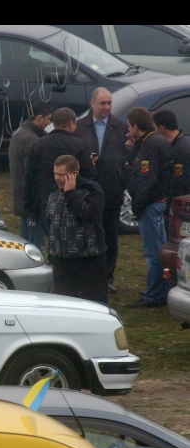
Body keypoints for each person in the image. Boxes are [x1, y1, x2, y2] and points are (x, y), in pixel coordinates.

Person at [76, 88, 132, 294]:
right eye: (103, 103)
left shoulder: (120, 127)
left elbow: (128, 159)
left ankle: (107, 276)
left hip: (111, 191)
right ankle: (86, 274)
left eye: (109, 103)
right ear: (92, 104)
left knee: (110, 235)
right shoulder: (80, 127)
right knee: (86, 233)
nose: (107, 107)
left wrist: (121, 180)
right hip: (87, 191)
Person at [24, 108, 96, 251]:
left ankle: (54, 267)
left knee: (53, 243)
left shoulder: (38, 145)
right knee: (72, 244)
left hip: (45, 202)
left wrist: (30, 207)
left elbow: (29, 177)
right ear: (71, 123)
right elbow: (90, 175)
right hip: (73, 201)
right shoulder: (80, 145)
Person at [126, 108, 173, 309]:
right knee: (162, 250)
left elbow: (147, 179)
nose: (128, 130)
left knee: (153, 253)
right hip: (158, 202)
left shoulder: (151, 145)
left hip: (151, 205)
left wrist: (136, 205)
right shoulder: (155, 141)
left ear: (136, 126)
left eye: (130, 126)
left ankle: (154, 295)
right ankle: (163, 290)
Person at [47, 155, 107, 303]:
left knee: (94, 302)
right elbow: (52, 224)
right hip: (62, 261)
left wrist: (70, 194)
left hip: (88, 259)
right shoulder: (54, 192)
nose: (57, 178)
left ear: (74, 174)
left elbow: (87, 214)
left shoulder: (91, 190)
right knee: (63, 304)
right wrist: (52, 256)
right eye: (55, 174)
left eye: (61, 175)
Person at [9, 101, 53, 243]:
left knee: (25, 238)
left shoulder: (18, 133)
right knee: (35, 242)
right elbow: (34, 172)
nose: (49, 123)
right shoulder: (32, 139)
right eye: (48, 119)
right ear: (39, 118)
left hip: (21, 195)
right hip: (33, 200)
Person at [152, 110, 190, 221]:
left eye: (155, 128)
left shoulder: (180, 151)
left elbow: (178, 183)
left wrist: (168, 209)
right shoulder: (172, 146)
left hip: (177, 207)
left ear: (162, 128)